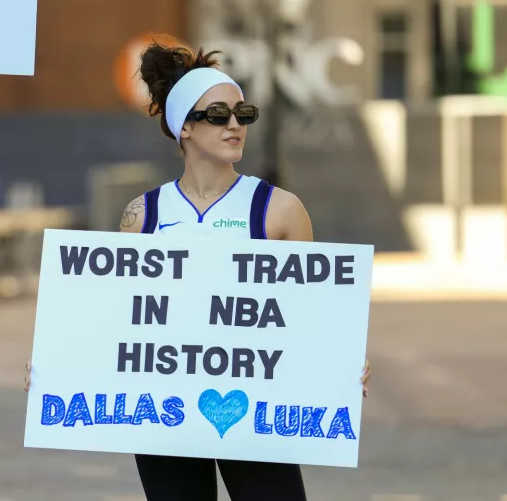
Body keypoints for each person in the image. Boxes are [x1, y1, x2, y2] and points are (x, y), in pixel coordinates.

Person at [23, 41, 371, 500]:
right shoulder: (142, 215)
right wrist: (58, 363)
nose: (234, 125)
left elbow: (309, 315)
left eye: (242, 114)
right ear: (184, 126)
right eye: (218, 115)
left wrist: (338, 364)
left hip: (254, 408)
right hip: (166, 410)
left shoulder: (280, 210)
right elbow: (115, 316)